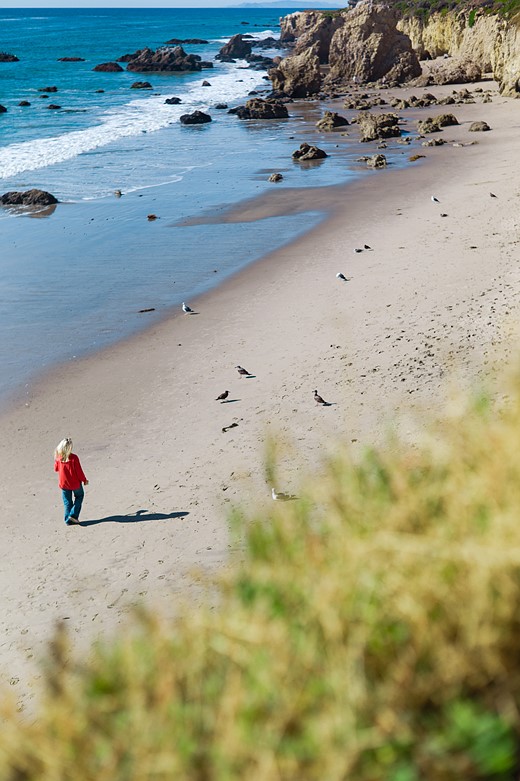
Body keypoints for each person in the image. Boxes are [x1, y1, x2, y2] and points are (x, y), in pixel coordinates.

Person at [54, 437, 89, 525]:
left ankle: (68, 520)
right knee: (80, 496)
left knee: (67, 502)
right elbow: (79, 471)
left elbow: (56, 469)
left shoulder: (58, 458)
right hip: (75, 483)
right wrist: (84, 480)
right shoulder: (74, 458)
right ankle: (73, 515)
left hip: (64, 484)